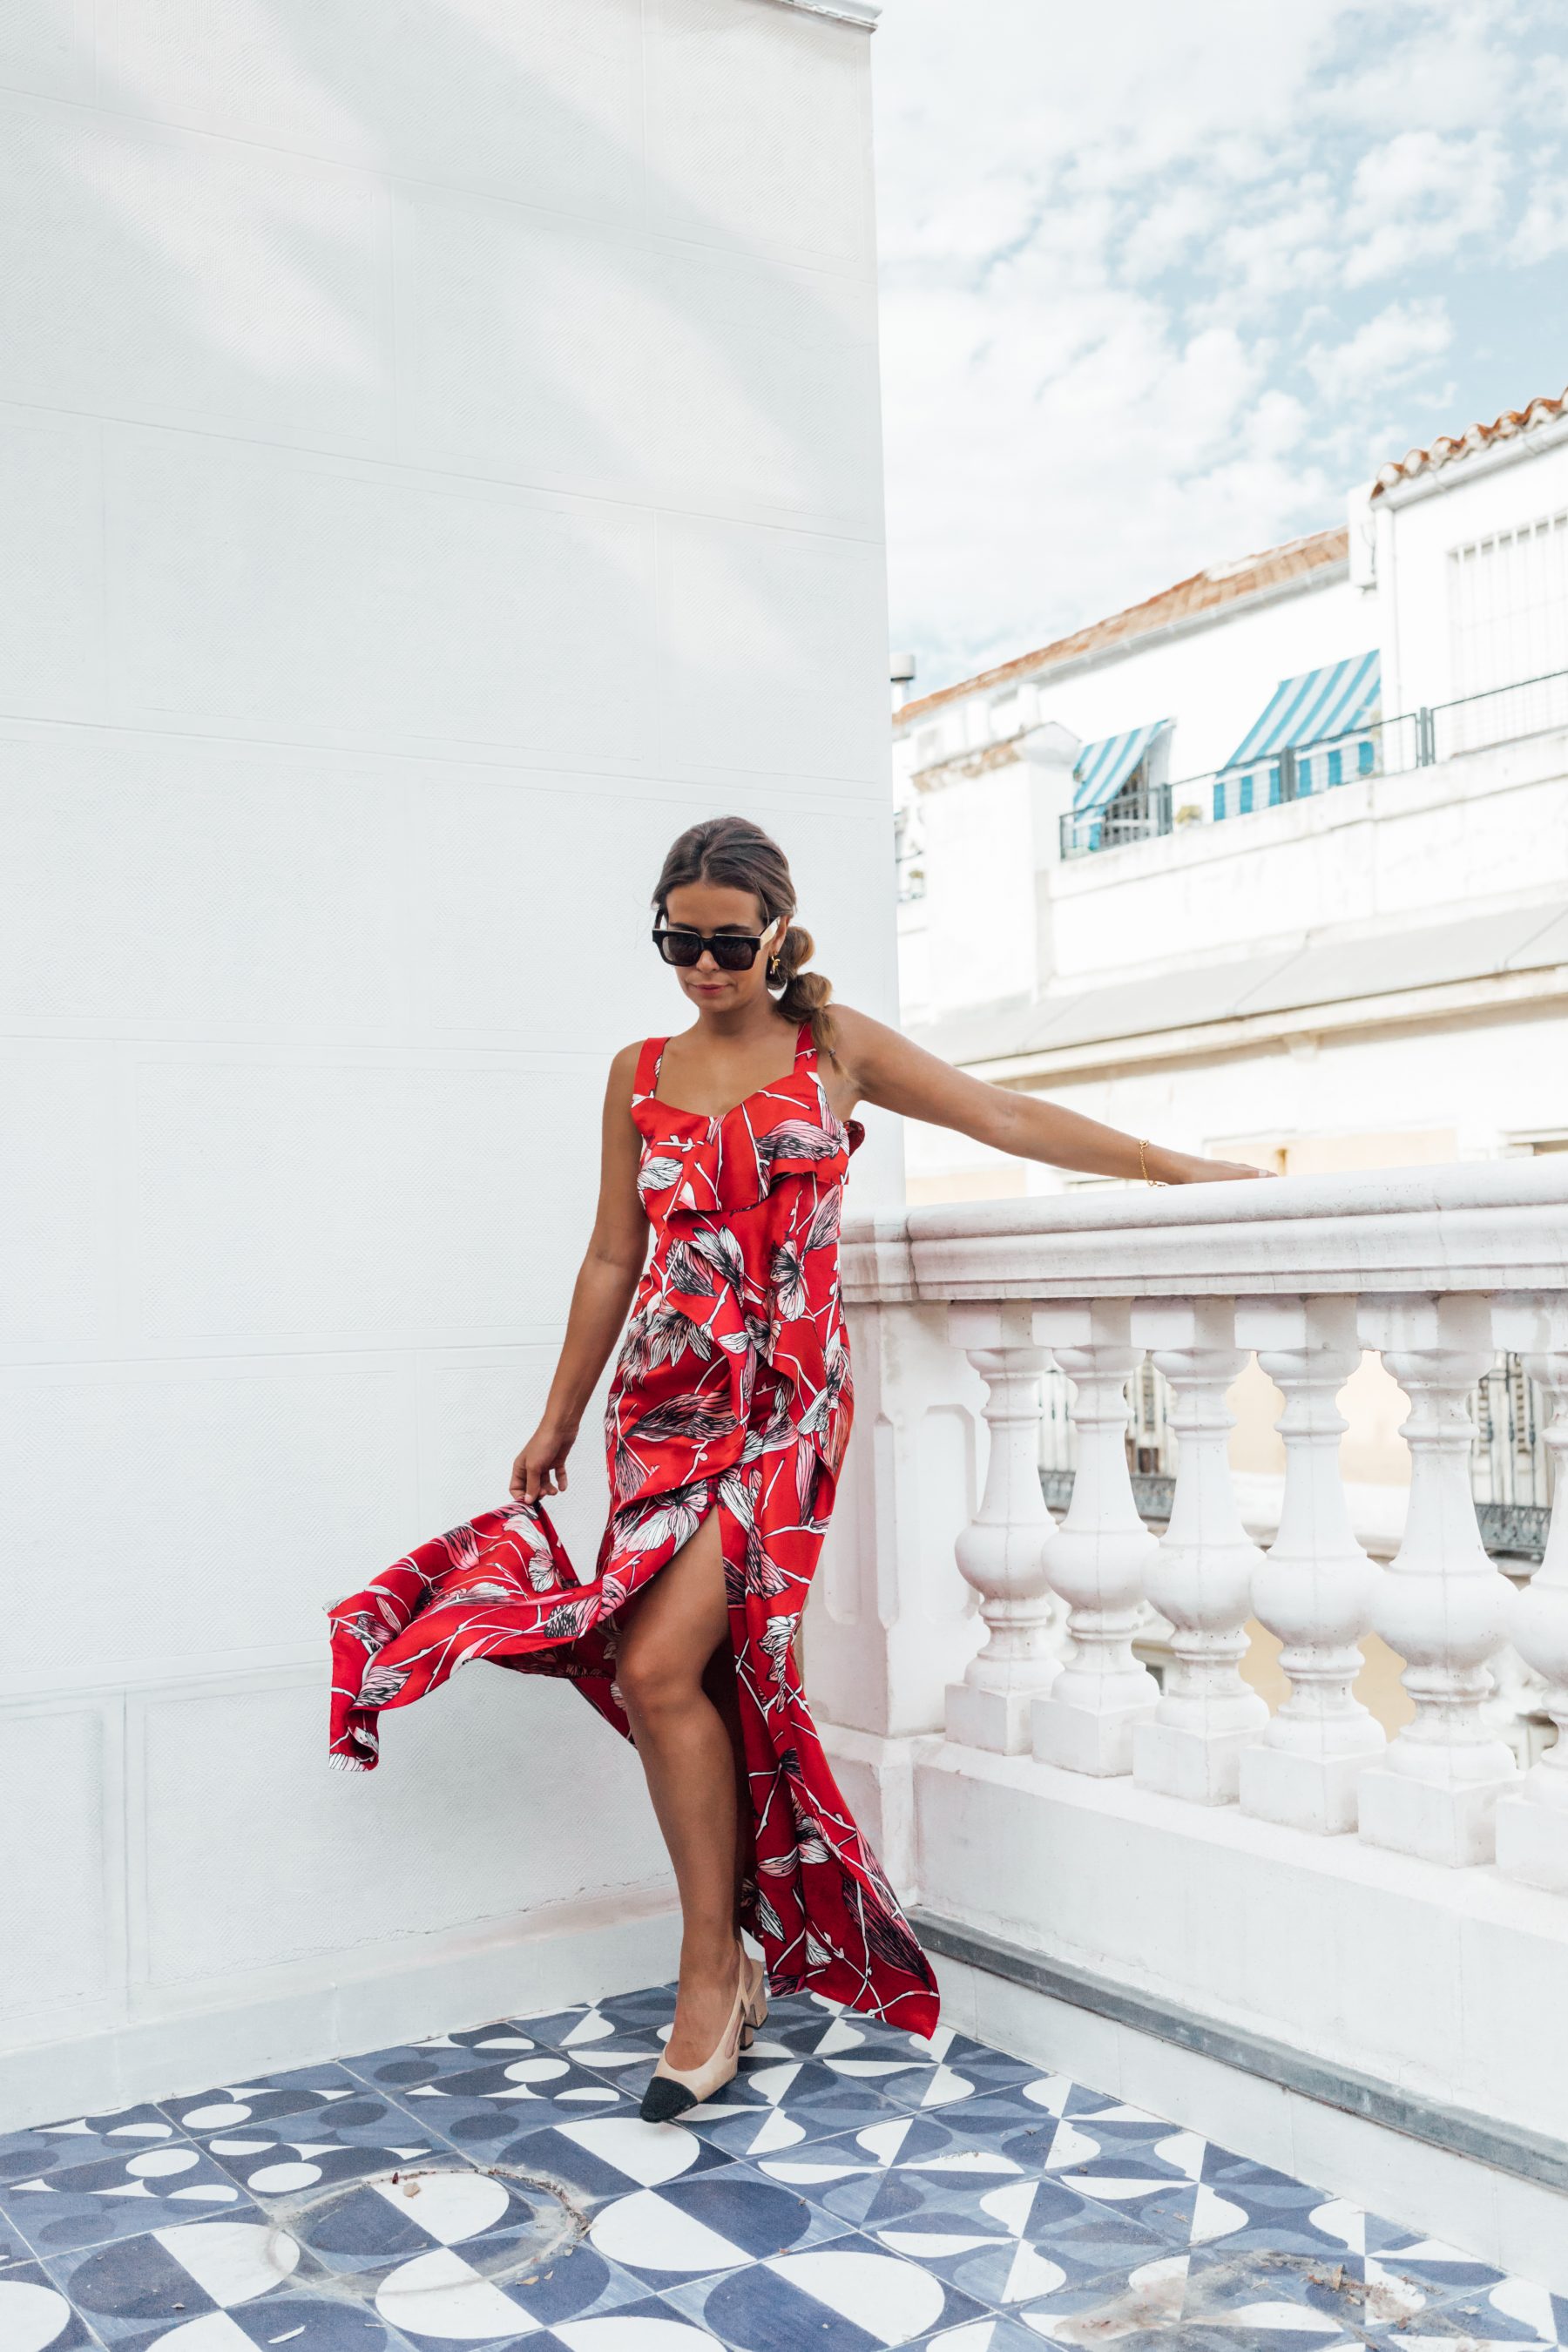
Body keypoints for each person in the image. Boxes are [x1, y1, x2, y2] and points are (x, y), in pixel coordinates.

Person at [328, 815, 1266, 2122]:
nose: (702, 968)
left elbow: (999, 1113)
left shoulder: (835, 1049)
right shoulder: (637, 1070)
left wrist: (1179, 1170)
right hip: (661, 1410)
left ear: (774, 931)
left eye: (724, 941)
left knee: (662, 1664)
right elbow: (613, 1256)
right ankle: (726, 1954)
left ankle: (711, 1963)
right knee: (678, 1680)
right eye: (677, 941)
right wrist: (559, 1412)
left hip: (780, 1415)